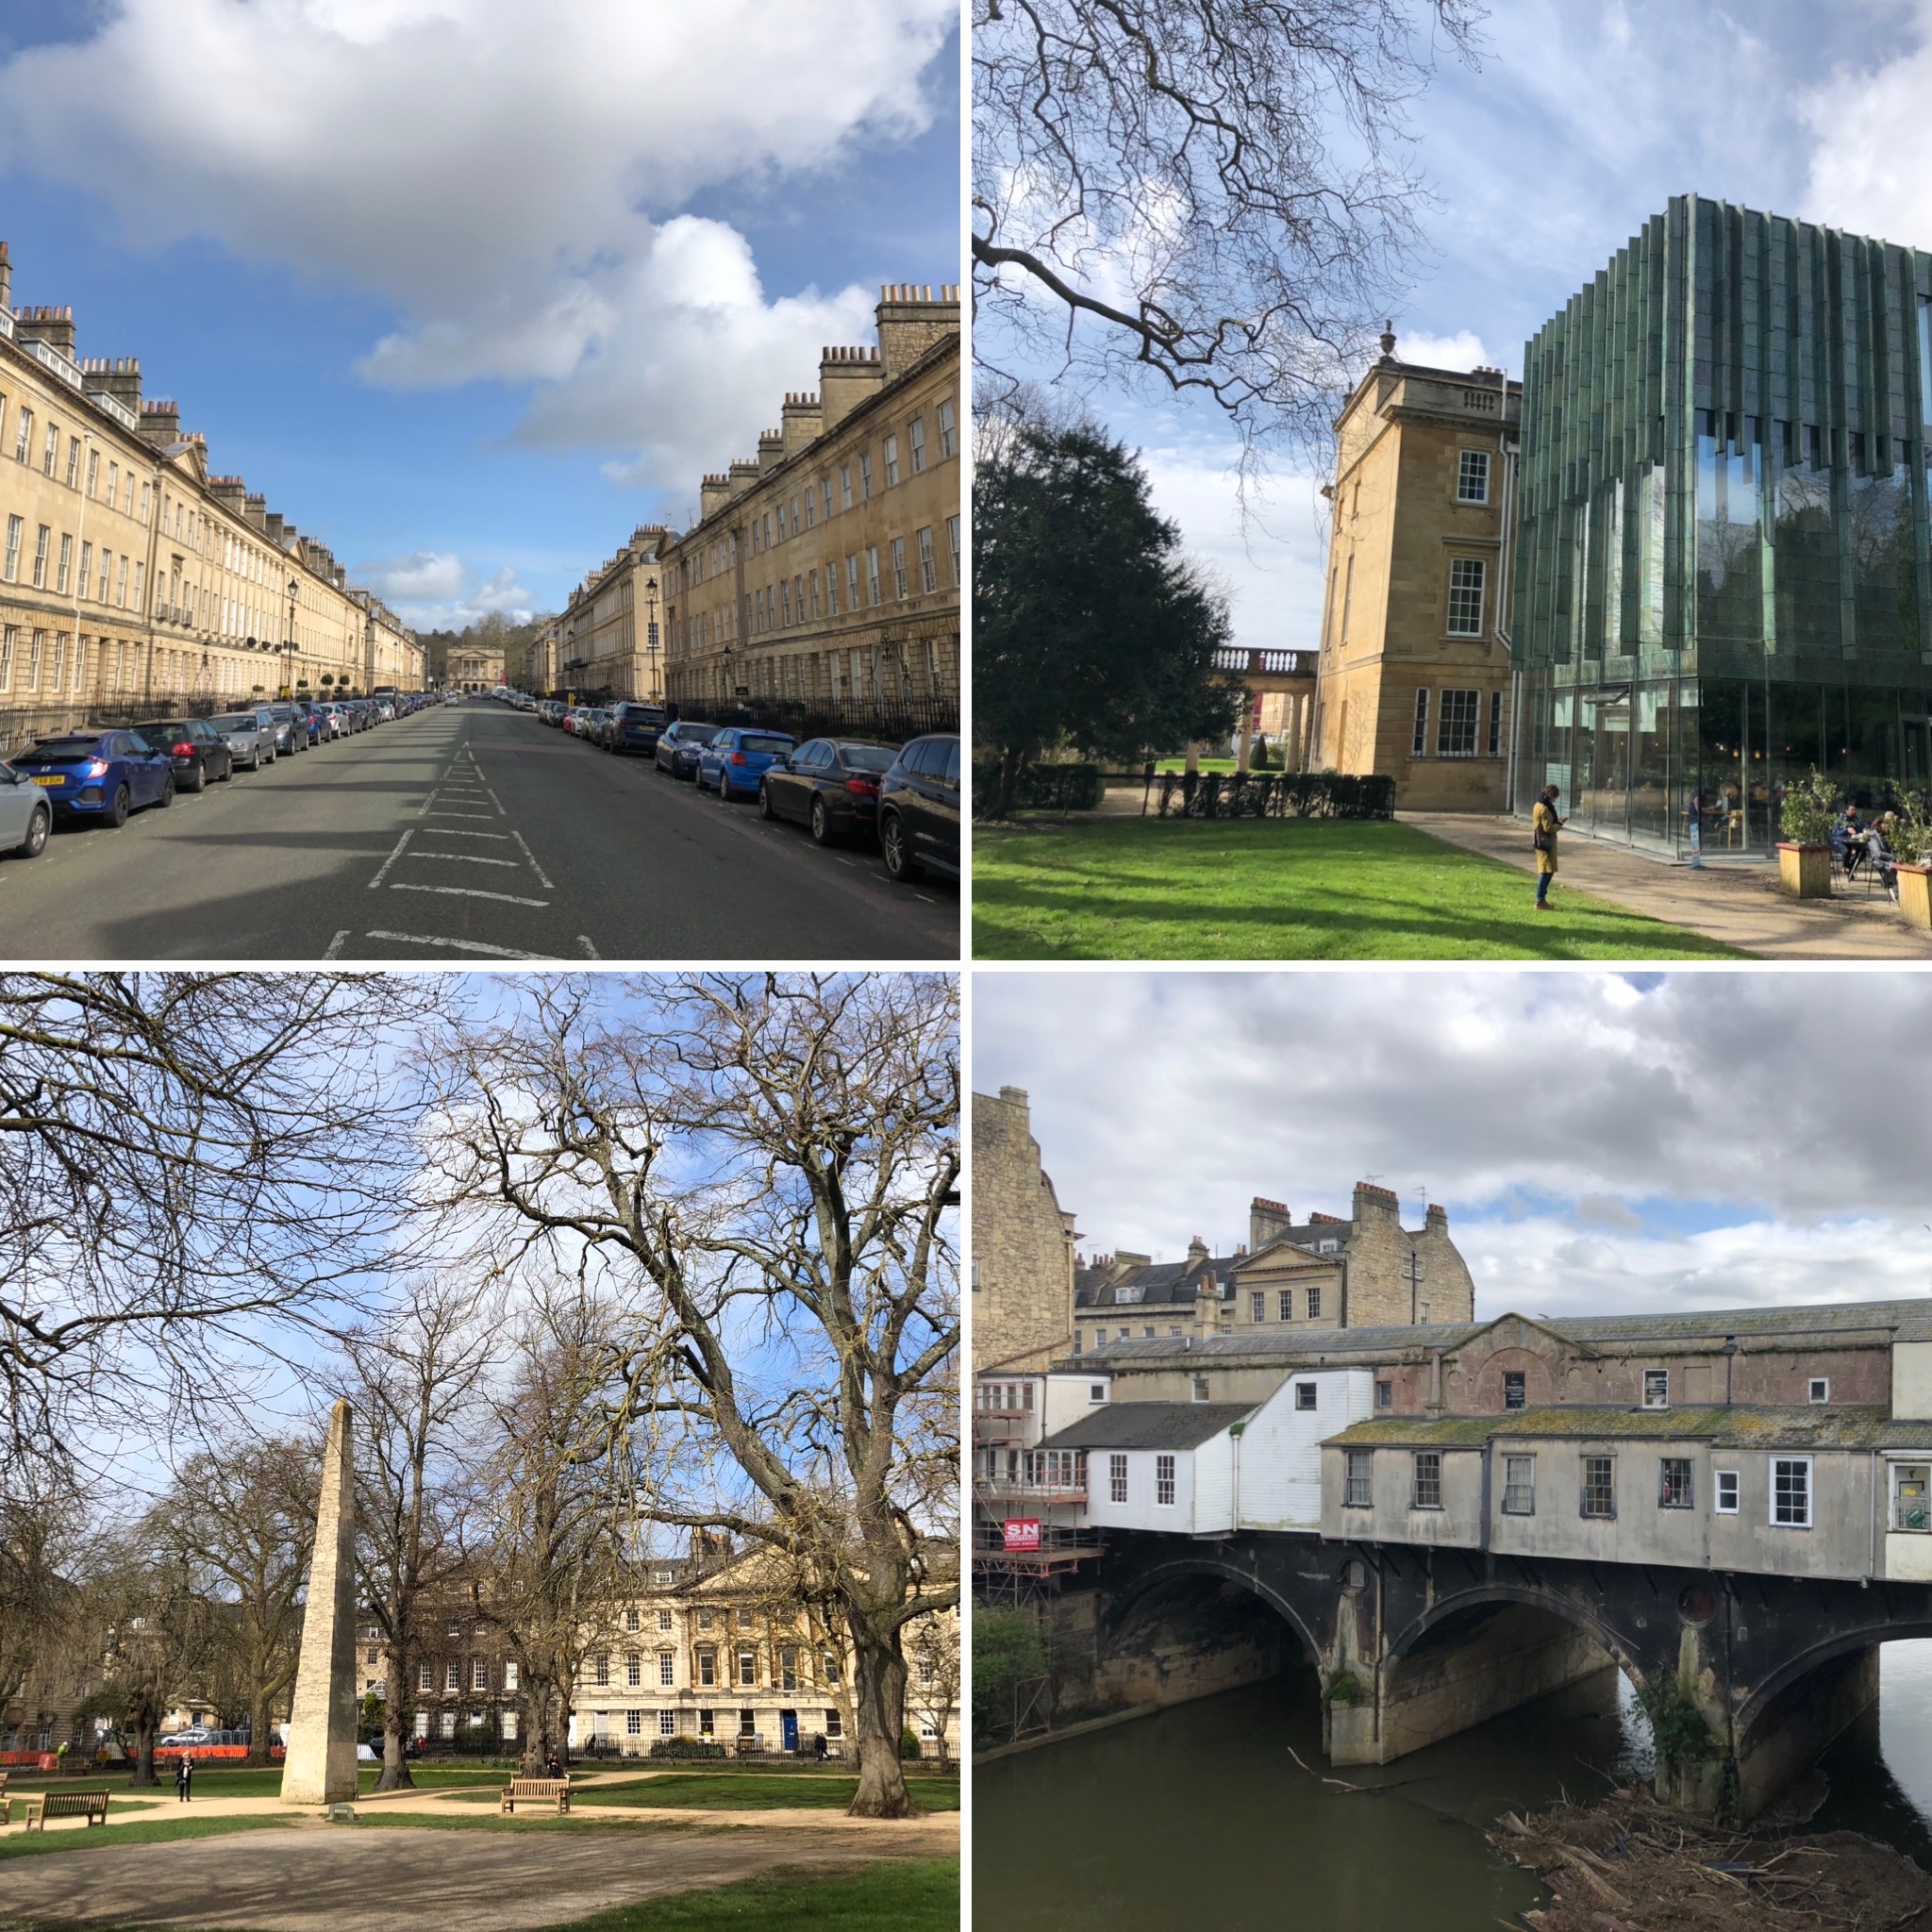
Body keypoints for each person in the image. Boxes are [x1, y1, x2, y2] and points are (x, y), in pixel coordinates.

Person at [1532, 785, 1565, 910]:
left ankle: (1541, 898)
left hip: (1540, 840)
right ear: (1551, 796)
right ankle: (1540, 900)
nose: (1555, 800)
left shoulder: (1537, 805)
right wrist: (1559, 824)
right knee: (1546, 871)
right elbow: (1548, 828)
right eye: (1555, 797)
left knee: (1547, 870)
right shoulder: (1545, 809)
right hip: (1545, 842)